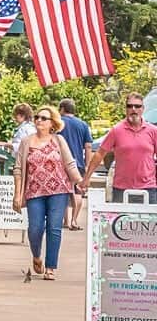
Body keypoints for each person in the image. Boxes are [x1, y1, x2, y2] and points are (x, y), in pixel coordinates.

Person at [12, 105, 81, 281]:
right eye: (37, 117)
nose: (39, 121)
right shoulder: (27, 142)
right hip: (34, 191)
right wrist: (17, 194)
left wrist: (80, 182)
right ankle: (36, 255)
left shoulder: (59, 140)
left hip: (59, 190)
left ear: (52, 123)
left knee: (54, 228)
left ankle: (50, 267)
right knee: (35, 228)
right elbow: (19, 169)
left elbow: (70, 163)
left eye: (43, 118)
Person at [80, 92, 157, 204]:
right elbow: (100, 154)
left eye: (137, 106)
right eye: (129, 106)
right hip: (121, 189)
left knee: (148, 222)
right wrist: (86, 178)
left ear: (143, 109)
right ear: (125, 109)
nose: (133, 109)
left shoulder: (152, 131)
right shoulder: (117, 130)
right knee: (121, 221)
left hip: (148, 189)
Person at [57, 98, 92, 230]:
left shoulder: (59, 123)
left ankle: (65, 221)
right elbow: (88, 146)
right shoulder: (83, 125)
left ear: (62, 109)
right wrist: (87, 164)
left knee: (64, 193)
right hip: (78, 163)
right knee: (78, 192)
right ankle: (74, 220)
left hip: (61, 162)